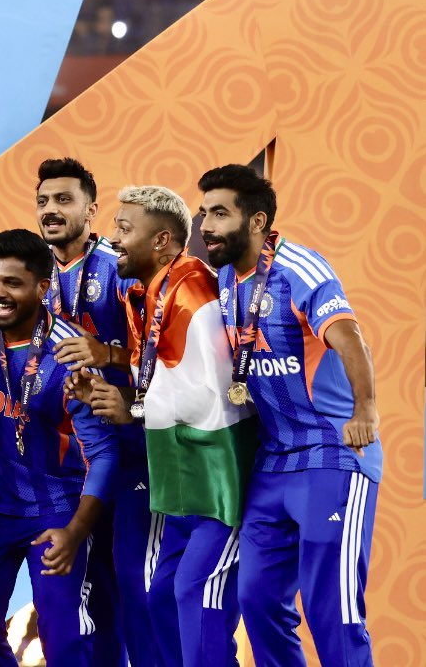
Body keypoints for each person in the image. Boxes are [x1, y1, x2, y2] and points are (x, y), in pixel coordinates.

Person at [197, 165, 380, 665]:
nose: (206, 225)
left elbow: (350, 338)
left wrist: (365, 409)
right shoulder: (223, 278)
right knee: (257, 602)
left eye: (219, 213)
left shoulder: (300, 268)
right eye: (203, 213)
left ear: (257, 222)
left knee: (333, 612)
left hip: (331, 455)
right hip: (272, 463)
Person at [73, 186, 253, 667]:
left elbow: (213, 395)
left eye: (124, 229)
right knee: (161, 603)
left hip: (218, 485)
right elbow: (161, 372)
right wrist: (107, 383)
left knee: (192, 603)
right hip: (182, 483)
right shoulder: (151, 292)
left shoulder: (192, 292)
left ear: (161, 241)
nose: (113, 239)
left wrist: (132, 409)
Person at [0, 229, 116, 666]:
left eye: (12, 283)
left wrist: (75, 532)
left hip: (55, 510)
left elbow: (105, 454)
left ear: (42, 287)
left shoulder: (69, 354)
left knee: (62, 636)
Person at [36, 157, 141, 666]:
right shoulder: (33, 273)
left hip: (135, 450)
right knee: (91, 598)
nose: (50, 210)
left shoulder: (118, 268)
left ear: (92, 210)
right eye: (43, 201)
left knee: (137, 589)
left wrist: (108, 355)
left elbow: (168, 349)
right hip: (67, 463)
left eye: (64, 200)